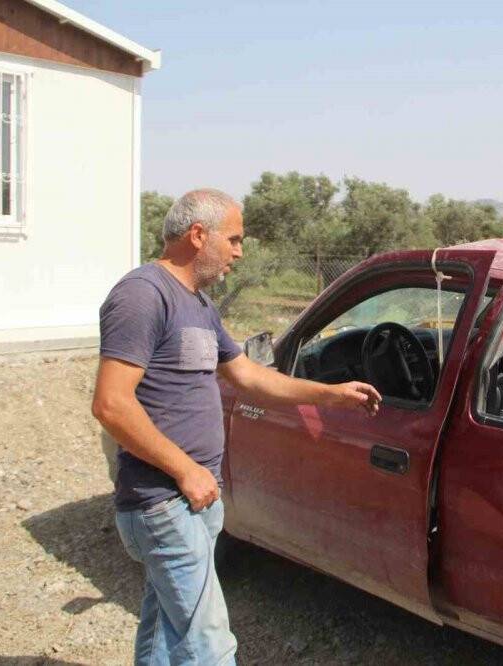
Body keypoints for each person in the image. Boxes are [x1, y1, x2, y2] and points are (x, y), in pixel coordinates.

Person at [91, 188, 381, 665]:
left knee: (165, 630)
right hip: (163, 502)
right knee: (209, 644)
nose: (240, 252)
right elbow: (111, 405)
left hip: (195, 499)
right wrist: (185, 470)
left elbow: (249, 376)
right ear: (198, 235)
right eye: (235, 239)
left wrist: (331, 394)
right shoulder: (143, 295)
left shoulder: (200, 306)